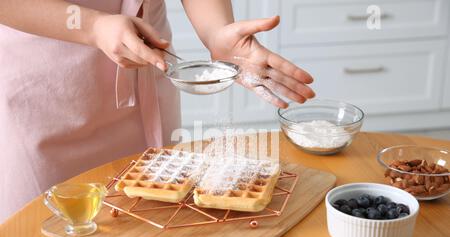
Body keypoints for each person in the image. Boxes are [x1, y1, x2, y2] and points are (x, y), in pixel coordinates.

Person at [0, 0, 315, 223]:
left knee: (146, 233)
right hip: (47, 93)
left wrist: (217, 31)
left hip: (147, 69)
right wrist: (93, 26)